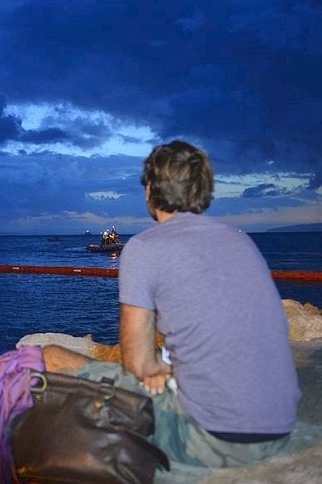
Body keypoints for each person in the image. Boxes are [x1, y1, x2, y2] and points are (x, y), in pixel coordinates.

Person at [42, 140, 301, 468]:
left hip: (215, 439)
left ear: (150, 190)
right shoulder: (240, 240)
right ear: (204, 188)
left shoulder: (144, 248)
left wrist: (158, 369)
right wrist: (172, 368)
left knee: (48, 357)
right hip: (278, 428)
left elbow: (136, 365)